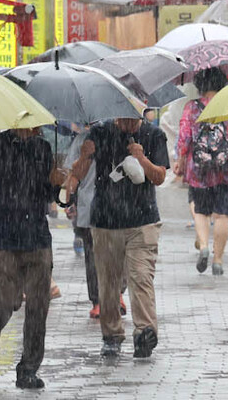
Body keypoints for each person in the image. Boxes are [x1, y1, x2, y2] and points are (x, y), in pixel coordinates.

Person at [65, 117, 168, 358]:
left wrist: (141, 158)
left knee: (141, 276)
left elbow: (159, 177)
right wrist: (85, 155)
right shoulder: (100, 133)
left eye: (132, 118)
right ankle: (111, 334)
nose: (127, 122)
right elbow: (78, 176)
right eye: (122, 118)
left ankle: (145, 332)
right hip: (105, 221)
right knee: (108, 282)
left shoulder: (154, 135)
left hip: (143, 221)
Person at [0, 127, 63, 390]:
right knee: (6, 302)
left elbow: (48, 195)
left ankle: (28, 368)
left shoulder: (42, 148)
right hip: (3, 239)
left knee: (38, 306)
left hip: (37, 239)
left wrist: (56, 183)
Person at [175, 67, 228, 275]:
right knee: (223, 216)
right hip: (225, 170)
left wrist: (180, 160)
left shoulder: (192, 108)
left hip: (199, 171)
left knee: (201, 211)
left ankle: (204, 246)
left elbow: (184, 139)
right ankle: (218, 260)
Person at [63, 125, 127, 320]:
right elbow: (74, 174)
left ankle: (117, 293)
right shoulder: (84, 139)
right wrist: (85, 156)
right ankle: (98, 300)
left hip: (118, 205)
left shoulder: (123, 137)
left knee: (119, 251)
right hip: (89, 205)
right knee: (93, 255)